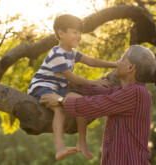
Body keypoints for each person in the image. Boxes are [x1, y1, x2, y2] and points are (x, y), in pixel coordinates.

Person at [40, 45, 156, 165]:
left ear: (131, 67)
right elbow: (93, 91)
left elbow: (96, 105)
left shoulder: (136, 93)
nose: (118, 62)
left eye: (122, 59)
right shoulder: (121, 92)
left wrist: (61, 100)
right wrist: (59, 82)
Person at [27, 14, 117, 161]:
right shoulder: (56, 53)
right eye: (74, 32)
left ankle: (82, 142)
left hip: (58, 88)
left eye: (80, 33)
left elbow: (91, 61)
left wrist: (115, 65)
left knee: (80, 102)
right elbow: (71, 77)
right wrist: (95, 82)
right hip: (42, 86)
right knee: (60, 108)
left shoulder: (71, 53)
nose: (79, 36)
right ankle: (59, 148)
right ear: (61, 33)